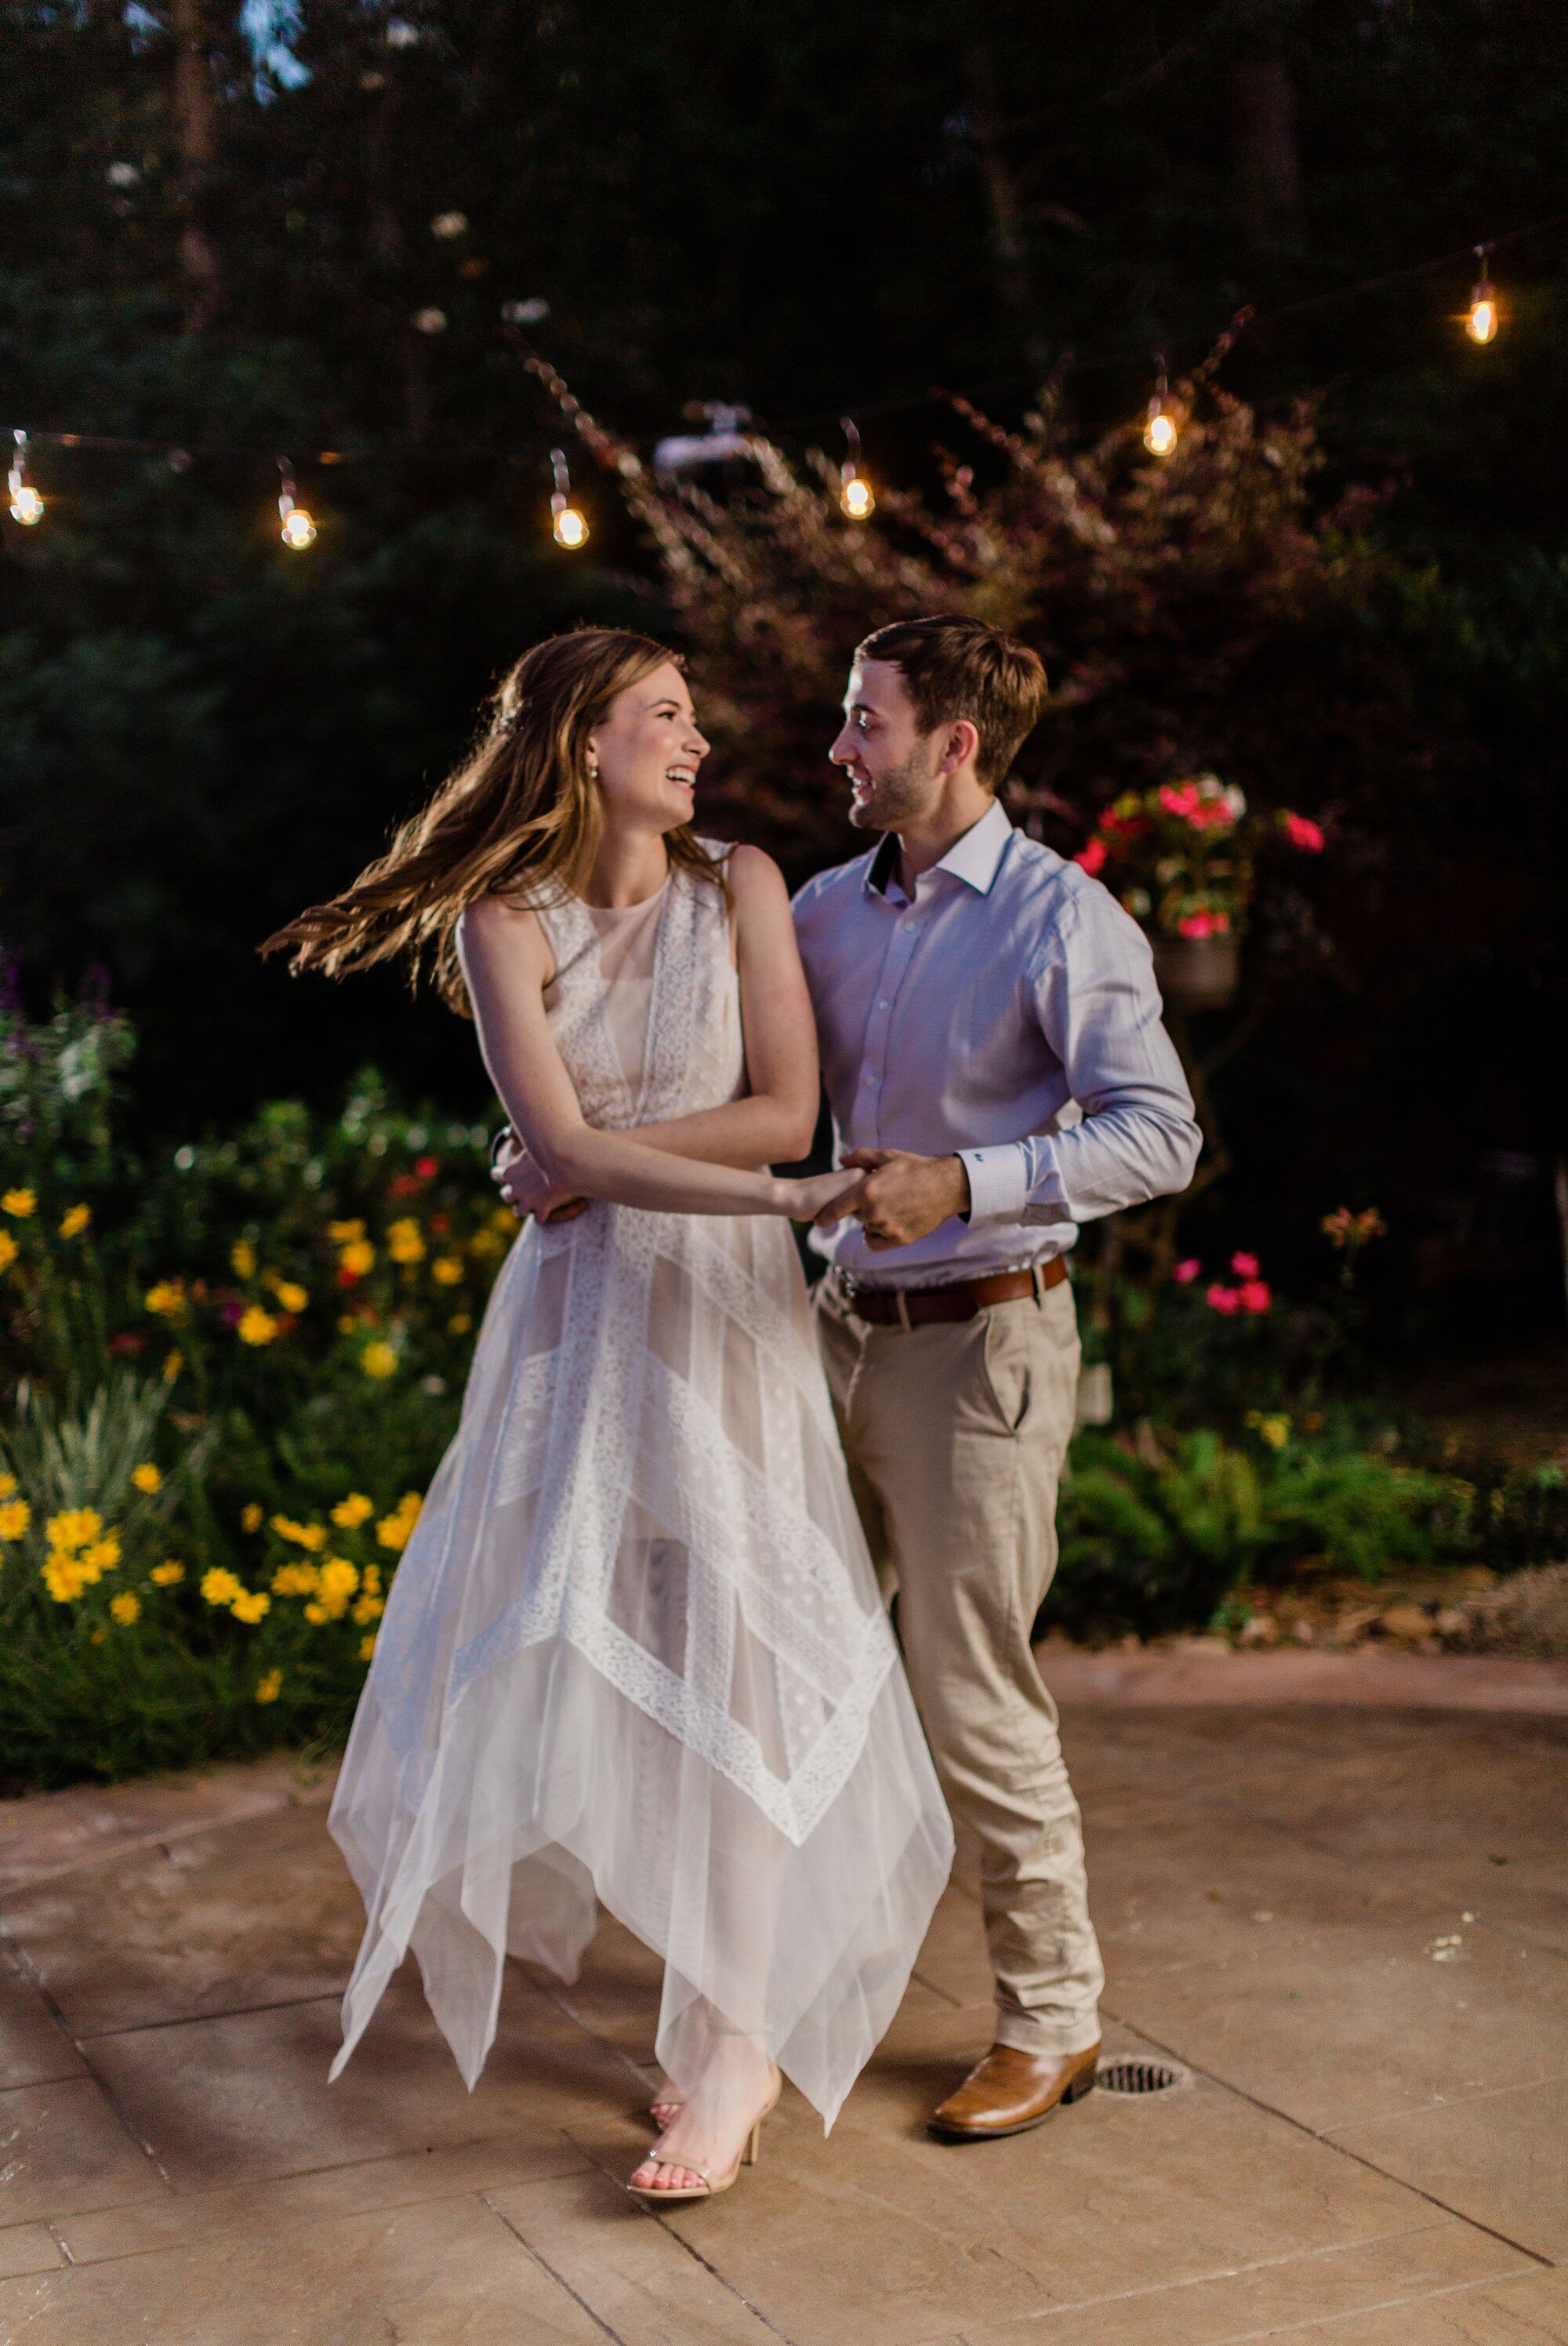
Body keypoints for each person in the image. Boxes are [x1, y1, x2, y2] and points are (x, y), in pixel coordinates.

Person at [265, 629, 953, 2203]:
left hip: (722, 1315)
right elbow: (558, 1131)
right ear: (582, 739)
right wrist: (615, 1161)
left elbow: (789, 1108)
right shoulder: (506, 916)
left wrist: (605, 1161)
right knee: (616, 1653)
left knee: (747, 1663)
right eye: (665, 715)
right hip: (582, 1327)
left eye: (694, 718)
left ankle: (732, 2039)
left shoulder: (745, 887)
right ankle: (705, 1993)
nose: (695, 739)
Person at [794, 615, 1202, 2140]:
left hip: (982, 1350)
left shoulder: (1062, 920)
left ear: (952, 742)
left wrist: (965, 1182)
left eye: (864, 722)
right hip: (827, 1333)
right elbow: (753, 1089)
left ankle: (1053, 2019)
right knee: (807, 1680)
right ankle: (808, 1994)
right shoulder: (822, 910)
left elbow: (1158, 1132)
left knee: (971, 1699)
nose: (839, 746)